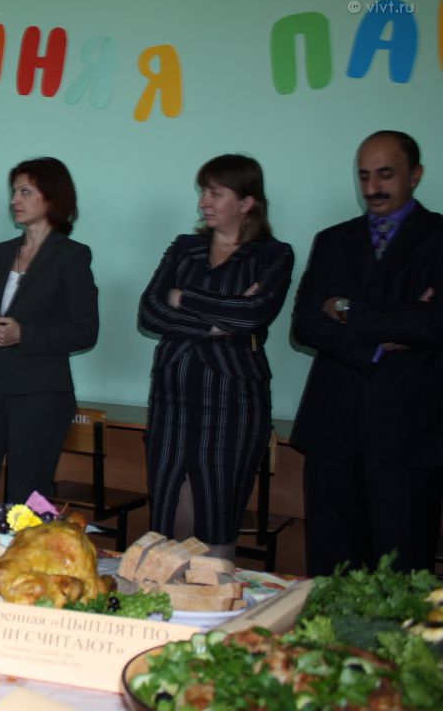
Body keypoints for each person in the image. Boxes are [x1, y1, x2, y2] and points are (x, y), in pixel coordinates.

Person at [292, 130, 443, 575]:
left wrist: (347, 309)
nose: (372, 187)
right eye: (363, 176)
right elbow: (305, 324)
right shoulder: (333, 240)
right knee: (331, 569)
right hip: (333, 427)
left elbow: (433, 323)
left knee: (402, 571)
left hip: (409, 433)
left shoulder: (439, 237)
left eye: (385, 174)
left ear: (415, 175)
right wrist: (381, 341)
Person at [138, 155, 293, 561]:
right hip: (172, 398)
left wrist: (184, 297)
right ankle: (170, 598)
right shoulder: (184, 247)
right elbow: (150, 310)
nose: (203, 202)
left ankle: (214, 597)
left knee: (218, 515)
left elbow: (252, 314)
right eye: (203, 192)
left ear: (246, 202)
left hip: (233, 402)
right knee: (168, 514)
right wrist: (213, 325)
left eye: (215, 193)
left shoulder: (273, 254)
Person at [0, 157, 98, 519]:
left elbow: (86, 329)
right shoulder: (0, 253)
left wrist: (24, 334)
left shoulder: (71, 256)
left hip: (41, 392)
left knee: (25, 499)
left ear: (53, 198)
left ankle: (24, 557)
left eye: (25, 192)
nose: (14, 200)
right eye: (14, 192)